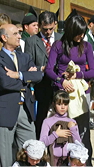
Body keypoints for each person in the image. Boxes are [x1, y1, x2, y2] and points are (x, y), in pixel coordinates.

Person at [0, 24, 43, 167]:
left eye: (19, 33)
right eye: (15, 34)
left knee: (30, 150)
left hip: (25, 110)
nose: (20, 36)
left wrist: (18, 75)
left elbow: (39, 76)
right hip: (5, 111)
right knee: (3, 153)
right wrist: (26, 78)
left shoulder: (25, 56)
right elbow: (4, 84)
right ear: (4, 37)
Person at [45, 12, 94, 166]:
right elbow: (49, 70)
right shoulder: (58, 46)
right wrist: (62, 81)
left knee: (82, 133)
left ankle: (86, 166)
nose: (81, 37)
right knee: (63, 132)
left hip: (81, 94)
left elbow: (93, 71)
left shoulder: (87, 46)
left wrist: (78, 76)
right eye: (78, 33)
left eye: (83, 33)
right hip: (62, 94)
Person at [24, 10, 62, 139]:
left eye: (51, 29)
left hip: (58, 83)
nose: (48, 32)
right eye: (45, 29)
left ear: (55, 25)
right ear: (39, 26)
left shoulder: (60, 38)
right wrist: (42, 68)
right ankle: (40, 141)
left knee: (60, 115)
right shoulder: (32, 41)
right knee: (41, 116)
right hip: (42, 84)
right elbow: (29, 64)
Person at [40, 91, 81, 166]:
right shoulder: (47, 121)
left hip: (69, 160)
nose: (62, 107)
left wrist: (73, 129)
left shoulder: (72, 121)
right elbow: (42, 142)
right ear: (53, 104)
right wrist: (56, 134)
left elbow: (78, 143)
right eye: (59, 104)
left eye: (65, 104)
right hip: (53, 160)